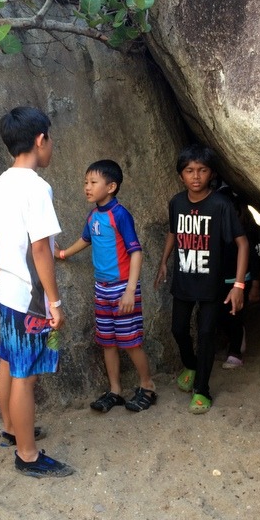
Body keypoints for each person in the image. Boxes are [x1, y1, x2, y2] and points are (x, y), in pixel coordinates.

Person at [0, 106, 74, 478]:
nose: (51, 146)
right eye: (50, 139)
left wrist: (2, 277)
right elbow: (40, 249)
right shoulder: (37, 187)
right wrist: (54, 302)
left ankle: (11, 428)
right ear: (40, 140)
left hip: (8, 289)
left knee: (9, 360)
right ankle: (27, 454)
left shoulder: (2, 182)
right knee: (26, 374)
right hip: (30, 298)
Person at [55, 160, 156, 413]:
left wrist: (130, 291)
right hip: (101, 288)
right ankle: (115, 390)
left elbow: (136, 252)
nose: (87, 187)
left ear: (111, 187)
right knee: (108, 341)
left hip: (122, 288)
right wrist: (63, 253)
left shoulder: (120, 214)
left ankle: (148, 386)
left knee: (130, 342)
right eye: (85, 182)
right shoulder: (93, 215)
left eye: (93, 182)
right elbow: (85, 239)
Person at [154, 145, 249, 414]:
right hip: (184, 280)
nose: (196, 176)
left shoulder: (221, 205)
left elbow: (242, 243)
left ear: (212, 174)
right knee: (178, 329)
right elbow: (173, 232)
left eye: (202, 170)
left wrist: (238, 285)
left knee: (206, 334)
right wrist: (163, 261)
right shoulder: (176, 202)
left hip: (212, 283)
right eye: (189, 170)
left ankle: (202, 390)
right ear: (181, 175)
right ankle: (191, 365)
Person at [218, 189, 260, 369]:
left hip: (241, 281)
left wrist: (254, 285)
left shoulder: (243, 232)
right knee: (222, 316)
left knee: (234, 315)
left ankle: (235, 353)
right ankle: (236, 338)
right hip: (221, 281)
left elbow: (253, 260)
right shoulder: (215, 231)